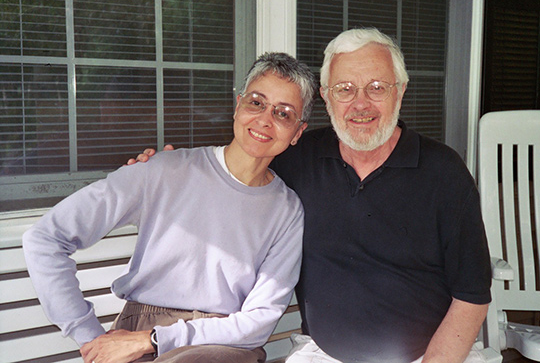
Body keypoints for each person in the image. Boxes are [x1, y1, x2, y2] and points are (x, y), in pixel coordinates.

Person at [130, 28, 492, 363]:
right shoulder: (297, 158)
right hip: (322, 354)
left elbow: (472, 295)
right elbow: (231, 169)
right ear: (326, 96)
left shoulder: (443, 171)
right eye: (345, 89)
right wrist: (163, 171)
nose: (360, 104)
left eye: (377, 87)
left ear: (400, 91)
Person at [23, 52, 317, 363]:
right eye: (256, 102)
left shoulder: (287, 210)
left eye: (283, 113)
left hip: (224, 346)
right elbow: (45, 238)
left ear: (298, 132)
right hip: (135, 334)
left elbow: (257, 322)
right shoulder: (162, 170)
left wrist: (154, 340)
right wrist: (89, 337)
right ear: (238, 105)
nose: (264, 119)